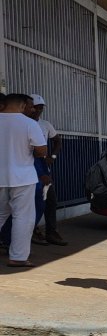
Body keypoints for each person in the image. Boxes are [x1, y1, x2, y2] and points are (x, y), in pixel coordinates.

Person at [0, 93, 47, 267]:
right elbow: (42, 151)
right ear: (21, 105)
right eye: (30, 106)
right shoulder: (29, 124)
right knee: (23, 217)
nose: (33, 109)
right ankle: (18, 256)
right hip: (23, 177)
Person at [30, 94, 65, 245]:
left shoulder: (45, 124)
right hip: (28, 167)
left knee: (50, 200)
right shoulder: (24, 123)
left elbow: (57, 141)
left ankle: (51, 232)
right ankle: (32, 231)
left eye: (41, 108)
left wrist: (53, 156)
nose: (38, 110)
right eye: (36, 107)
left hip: (42, 167)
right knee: (30, 202)